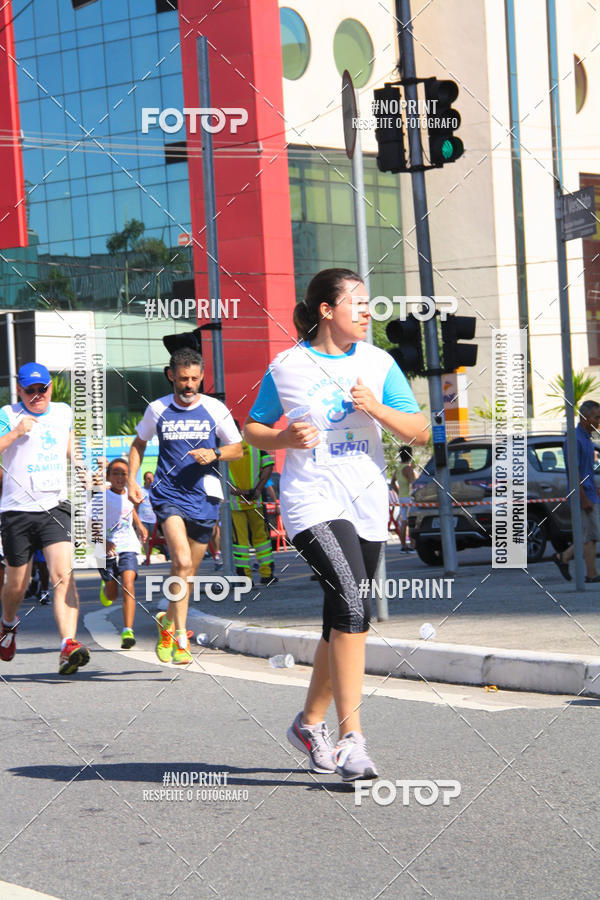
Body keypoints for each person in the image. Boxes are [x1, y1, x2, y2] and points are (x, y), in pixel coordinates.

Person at [244, 268, 428, 781]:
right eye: (359, 303)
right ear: (327, 311)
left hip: (366, 502)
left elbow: (420, 432)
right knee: (351, 601)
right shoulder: (287, 367)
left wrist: (377, 408)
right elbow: (253, 427)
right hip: (312, 500)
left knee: (340, 617)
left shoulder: (379, 363)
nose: (369, 312)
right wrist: (282, 442)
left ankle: (308, 723)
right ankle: (353, 739)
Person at [128, 347, 242, 664]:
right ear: (171, 376)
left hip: (203, 498)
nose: (189, 385)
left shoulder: (215, 409)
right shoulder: (158, 409)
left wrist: (215, 454)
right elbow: (138, 443)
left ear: (202, 377)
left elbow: (238, 449)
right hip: (169, 494)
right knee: (179, 558)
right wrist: (133, 480)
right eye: (182, 379)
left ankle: (167, 622)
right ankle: (181, 637)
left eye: (194, 379)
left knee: (187, 572)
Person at [0, 362, 90, 674]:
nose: (38, 395)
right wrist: (16, 432)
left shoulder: (63, 411)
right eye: (30, 390)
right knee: (17, 584)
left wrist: (83, 468)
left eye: (43, 389)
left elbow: (70, 445)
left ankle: (68, 645)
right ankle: (8, 624)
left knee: (63, 574)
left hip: (55, 505)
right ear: (20, 390)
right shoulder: (7, 414)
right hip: (15, 510)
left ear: (50, 387)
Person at [99, 458, 147, 648]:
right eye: (116, 473)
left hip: (128, 546)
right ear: (109, 476)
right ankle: (105, 585)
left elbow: (129, 509)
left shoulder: (129, 494)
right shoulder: (100, 498)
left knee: (128, 583)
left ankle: (128, 630)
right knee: (112, 596)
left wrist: (139, 524)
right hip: (106, 549)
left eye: (123, 474)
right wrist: (104, 541)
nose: (120, 477)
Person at [554, 399, 600, 583]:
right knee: (588, 534)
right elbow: (575, 474)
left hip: (589, 493)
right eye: (596, 417)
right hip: (582, 495)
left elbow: (587, 471)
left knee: (591, 535)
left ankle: (591, 573)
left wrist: (595, 490)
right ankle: (563, 557)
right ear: (584, 418)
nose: (598, 421)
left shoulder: (587, 439)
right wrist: (584, 498)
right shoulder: (575, 440)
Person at [229, 423, 278, 585]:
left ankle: (244, 578)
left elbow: (217, 475)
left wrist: (239, 491)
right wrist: (256, 490)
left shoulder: (223, 450)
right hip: (255, 499)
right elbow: (268, 466)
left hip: (234, 504)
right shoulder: (254, 445)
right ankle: (267, 575)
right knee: (262, 539)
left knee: (240, 542)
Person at [391, 445, 416, 551]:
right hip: (409, 498)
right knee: (411, 522)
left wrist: (398, 492)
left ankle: (403, 545)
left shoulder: (398, 469)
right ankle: (412, 545)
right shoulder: (408, 468)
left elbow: (392, 482)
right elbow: (412, 483)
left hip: (401, 497)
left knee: (404, 521)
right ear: (410, 455)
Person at [138, 470, 158, 557]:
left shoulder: (156, 490)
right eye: (148, 478)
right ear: (144, 480)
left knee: (156, 538)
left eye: (152, 478)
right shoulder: (140, 490)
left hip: (154, 519)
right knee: (144, 538)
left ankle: (167, 553)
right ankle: (147, 557)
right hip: (143, 519)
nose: (150, 480)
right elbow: (135, 504)